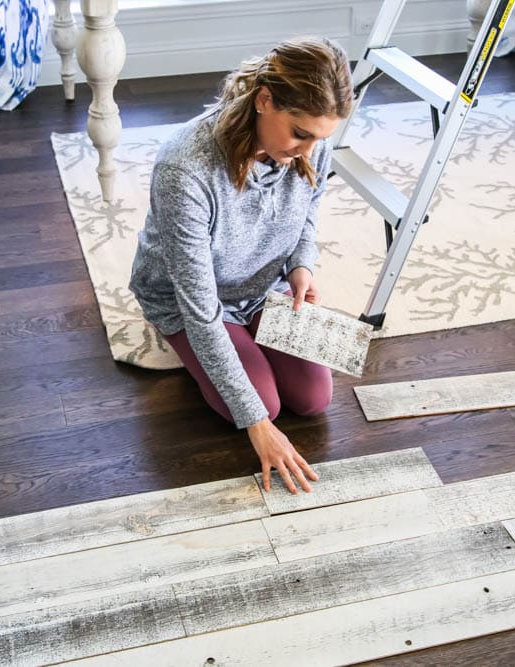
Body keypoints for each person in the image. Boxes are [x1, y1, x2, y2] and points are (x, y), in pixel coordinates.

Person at [129, 36, 354, 494]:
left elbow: (306, 214)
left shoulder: (310, 143)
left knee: (314, 399)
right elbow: (198, 305)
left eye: (319, 139)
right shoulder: (185, 168)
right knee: (260, 406)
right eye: (300, 134)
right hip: (191, 298)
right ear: (264, 100)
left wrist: (299, 268)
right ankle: (227, 361)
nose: (309, 151)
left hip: (262, 286)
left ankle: (251, 338)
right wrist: (257, 426)